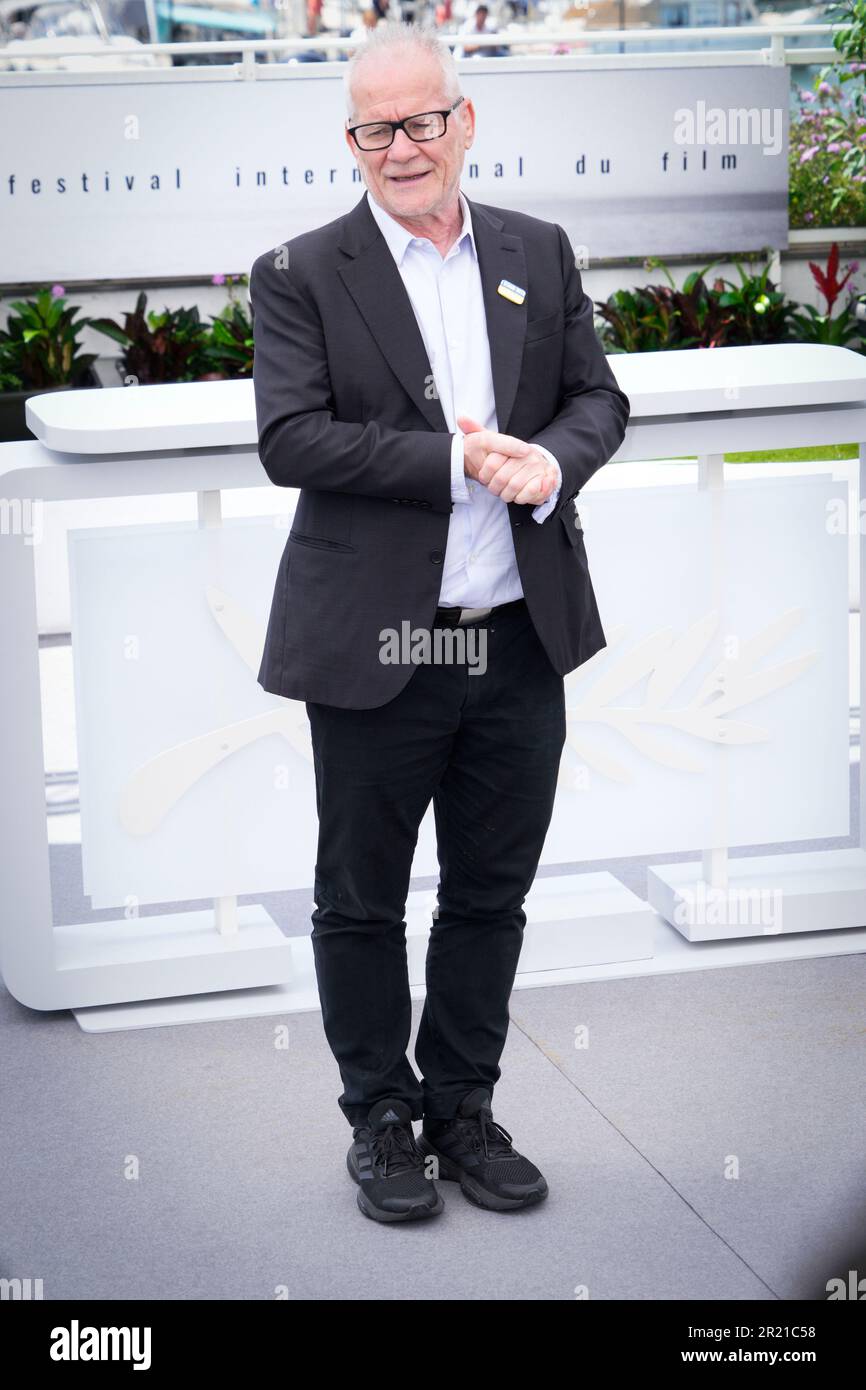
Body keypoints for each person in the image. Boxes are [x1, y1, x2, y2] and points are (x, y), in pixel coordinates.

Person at [248, 21, 629, 1224]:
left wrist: (548, 467)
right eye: (375, 128)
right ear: (350, 139)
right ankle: (381, 1120)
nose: (401, 146)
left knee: (488, 890)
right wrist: (457, 459)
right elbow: (288, 437)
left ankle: (460, 1106)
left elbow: (596, 400)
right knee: (359, 897)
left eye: (422, 120)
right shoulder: (301, 271)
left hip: (515, 634)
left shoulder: (536, 249)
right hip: (381, 646)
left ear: (463, 122)